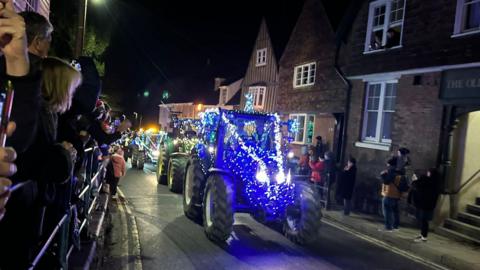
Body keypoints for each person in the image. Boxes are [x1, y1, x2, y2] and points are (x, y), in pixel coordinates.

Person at [410, 168, 440, 242]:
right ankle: (422, 234)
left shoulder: (427, 181)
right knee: (424, 220)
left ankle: (424, 237)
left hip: (425, 204)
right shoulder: (436, 183)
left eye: (429, 172)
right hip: (429, 204)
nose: (428, 173)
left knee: (424, 220)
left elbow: (418, 186)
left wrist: (414, 180)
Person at [380, 158, 405, 232]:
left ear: (390, 164)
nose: (387, 165)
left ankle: (388, 227)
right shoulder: (400, 172)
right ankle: (395, 226)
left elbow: (386, 182)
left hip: (389, 193)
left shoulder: (390, 171)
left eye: (388, 164)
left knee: (387, 211)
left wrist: (383, 175)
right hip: (397, 194)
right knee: (395, 212)